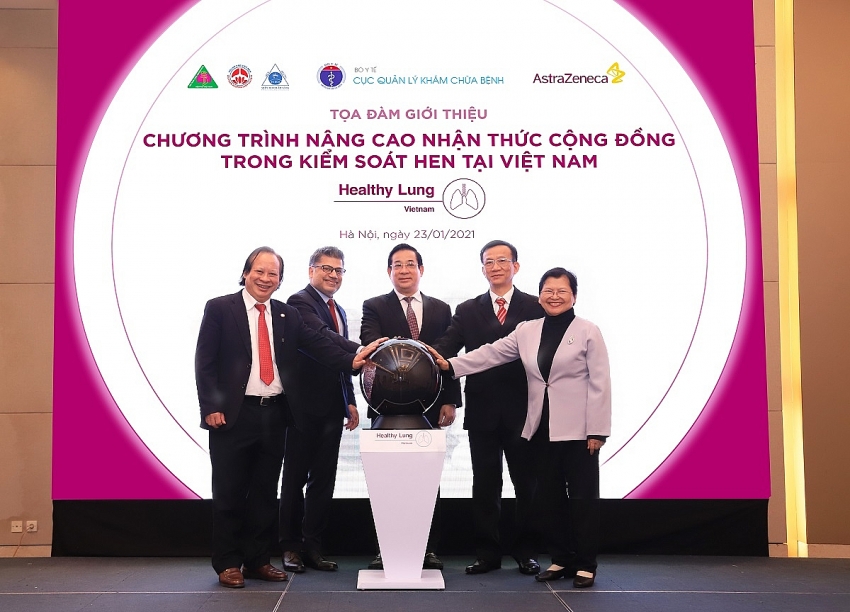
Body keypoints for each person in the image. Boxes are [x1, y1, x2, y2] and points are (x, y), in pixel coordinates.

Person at [195, 246, 383, 588]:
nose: (266, 279)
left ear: (280, 280)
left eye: (273, 274)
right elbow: (204, 361)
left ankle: (257, 560)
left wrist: (354, 357)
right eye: (260, 271)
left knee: (266, 494)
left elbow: (318, 342)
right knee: (229, 492)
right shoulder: (220, 308)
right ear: (246, 273)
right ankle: (228, 563)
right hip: (233, 415)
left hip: (275, 413)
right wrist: (210, 406)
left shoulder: (285, 314)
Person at [429, 268, 611, 589]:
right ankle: (561, 558)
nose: (554, 297)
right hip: (540, 428)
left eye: (562, 291)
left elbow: (600, 382)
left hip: (580, 431)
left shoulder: (588, 330)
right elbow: (492, 353)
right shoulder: (527, 330)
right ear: (539, 296)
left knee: (582, 498)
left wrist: (597, 430)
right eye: (548, 291)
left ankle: (585, 564)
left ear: (574, 296)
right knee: (549, 499)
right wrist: (451, 365)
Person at [432, 240, 544, 576]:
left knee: (527, 485)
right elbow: (447, 349)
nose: (495, 267)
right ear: (482, 269)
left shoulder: (536, 306)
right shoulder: (468, 309)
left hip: (525, 411)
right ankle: (487, 554)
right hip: (482, 411)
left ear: (515, 266)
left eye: (502, 260)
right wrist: (419, 353)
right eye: (489, 262)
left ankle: (527, 552)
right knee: (485, 485)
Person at [360, 243, 462, 571]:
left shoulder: (441, 308)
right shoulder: (374, 306)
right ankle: (384, 549)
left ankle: (429, 548)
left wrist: (450, 399)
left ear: (421, 269)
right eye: (397, 265)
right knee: (386, 479)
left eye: (410, 264)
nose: (404, 270)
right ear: (389, 271)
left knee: (427, 480)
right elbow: (371, 345)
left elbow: (448, 358)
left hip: (428, 406)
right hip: (386, 407)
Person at [279, 247, 359, 573]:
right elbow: (323, 341)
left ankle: (313, 547)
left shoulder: (339, 310)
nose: (333, 275)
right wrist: (364, 351)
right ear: (311, 270)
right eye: (326, 268)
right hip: (301, 409)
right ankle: (290, 547)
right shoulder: (299, 303)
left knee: (323, 481)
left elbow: (340, 363)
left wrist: (350, 400)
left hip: (331, 409)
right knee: (295, 479)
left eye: (339, 270)